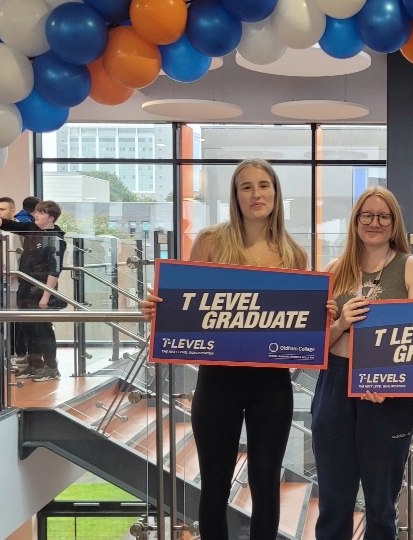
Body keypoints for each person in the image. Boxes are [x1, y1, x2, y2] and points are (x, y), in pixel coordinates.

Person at [139, 159, 308, 540]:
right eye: (246, 187)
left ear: (276, 193)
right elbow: (184, 304)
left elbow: (300, 321)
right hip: (217, 381)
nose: (256, 194)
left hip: (272, 384)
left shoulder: (294, 254)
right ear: (235, 196)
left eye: (264, 186)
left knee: (266, 482)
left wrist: (319, 315)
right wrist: (156, 309)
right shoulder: (211, 241)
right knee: (214, 483)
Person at [314, 186, 413, 540]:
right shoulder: (334, 269)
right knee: (334, 503)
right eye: (366, 215)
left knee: (381, 507)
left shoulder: (412, 268)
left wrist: (394, 382)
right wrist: (341, 323)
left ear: (394, 222)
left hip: (388, 394)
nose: (374, 222)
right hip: (336, 385)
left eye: (383, 216)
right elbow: (311, 349)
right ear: (355, 221)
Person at [0, 200, 67, 382]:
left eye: (41, 213)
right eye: (36, 212)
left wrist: (45, 296)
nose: (36, 215)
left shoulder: (56, 237)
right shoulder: (31, 229)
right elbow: (6, 224)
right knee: (28, 328)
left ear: (51, 218)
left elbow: (55, 269)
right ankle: (35, 365)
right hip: (25, 288)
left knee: (43, 329)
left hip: (40, 290)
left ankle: (51, 368)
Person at [0, 197, 27, 365]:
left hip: (16, 282)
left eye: (2, 209)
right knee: (1, 318)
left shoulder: (19, 232)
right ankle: (4, 352)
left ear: (12, 211)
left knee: (16, 319)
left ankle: (18, 353)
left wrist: (18, 274)